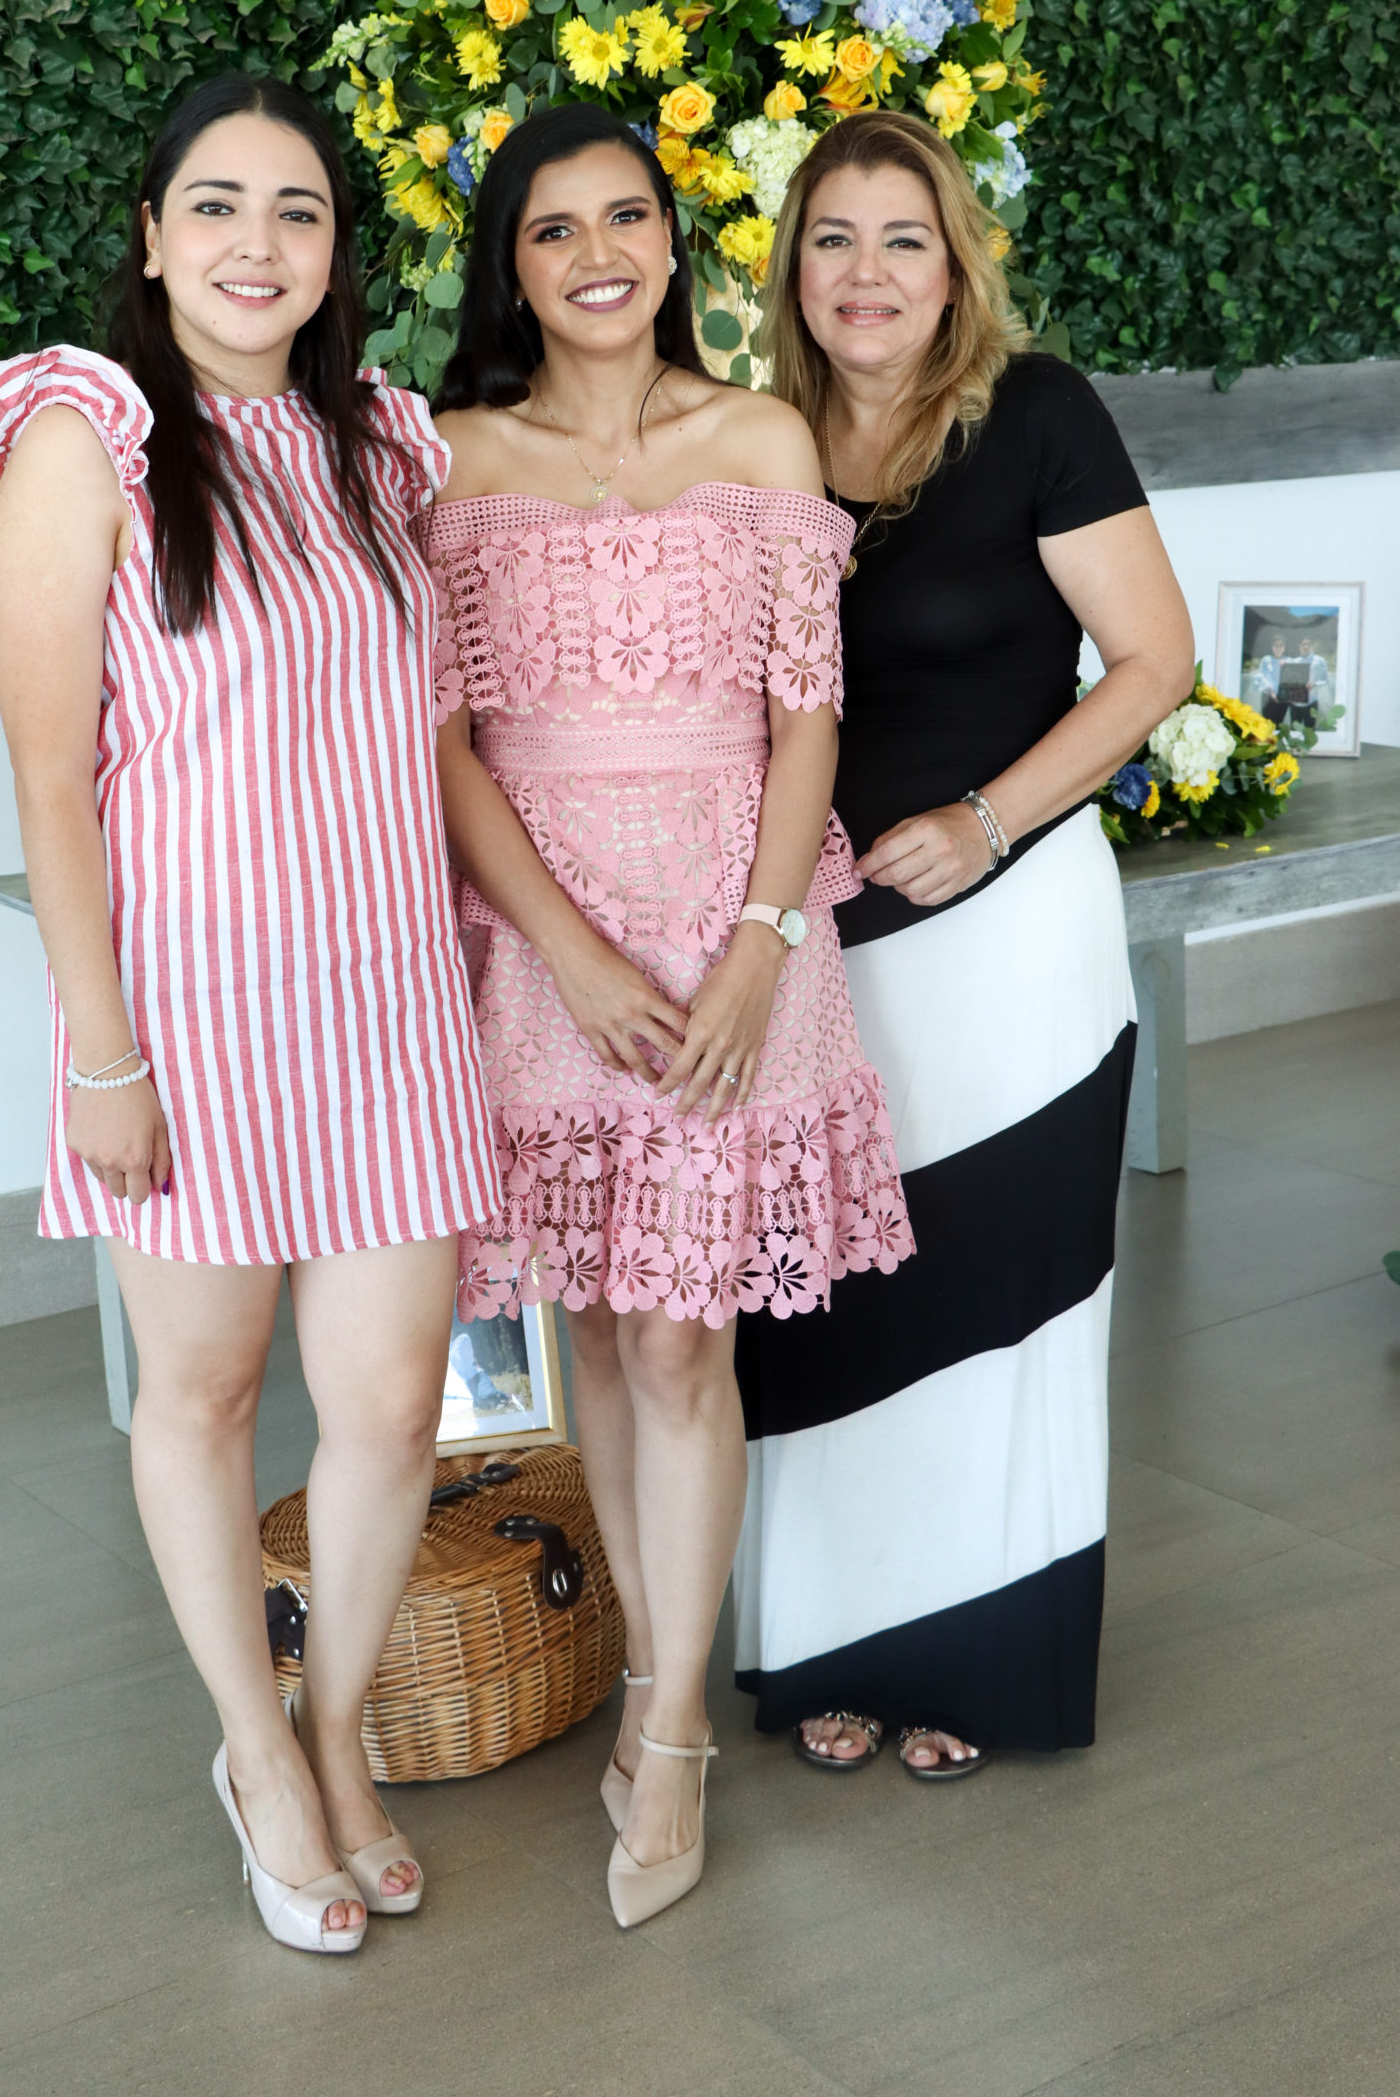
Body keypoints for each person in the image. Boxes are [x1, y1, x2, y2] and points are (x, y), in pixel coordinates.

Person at [0, 74, 500, 1954]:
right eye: (216, 204)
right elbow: (47, 784)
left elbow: (423, 739)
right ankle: (256, 1759)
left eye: (296, 211)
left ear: (338, 250)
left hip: (388, 999)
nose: (256, 245)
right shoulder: (82, 438)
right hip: (179, 1020)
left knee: (391, 1405)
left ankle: (334, 1739)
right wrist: (100, 1053)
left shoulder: (379, 451)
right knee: (202, 1395)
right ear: (152, 232)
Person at [417, 103, 913, 1925]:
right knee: (608, 1333)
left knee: (689, 1343)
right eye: (558, 230)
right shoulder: (454, 460)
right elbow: (446, 741)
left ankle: (677, 1725)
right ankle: (646, 1678)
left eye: (630, 217)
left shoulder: (762, 432)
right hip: (555, 941)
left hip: (735, 922)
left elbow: (808, 716)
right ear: (514, 264)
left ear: (673, 246)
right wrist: (562, 949)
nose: (601, 253)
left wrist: (766, 940)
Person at [732, 109, 1194, 1781]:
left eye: (903, 240)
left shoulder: (1039, 416)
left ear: (955, 267)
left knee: (1001, 1301)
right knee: (828, 1304)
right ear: (792, 265)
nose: (867, 274)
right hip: (809, 944)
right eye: (835, 239)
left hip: (1010, 936)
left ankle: (984, 1668)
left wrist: (989, 821)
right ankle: (830, 1655)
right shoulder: (754, 435)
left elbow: (1152, 662)